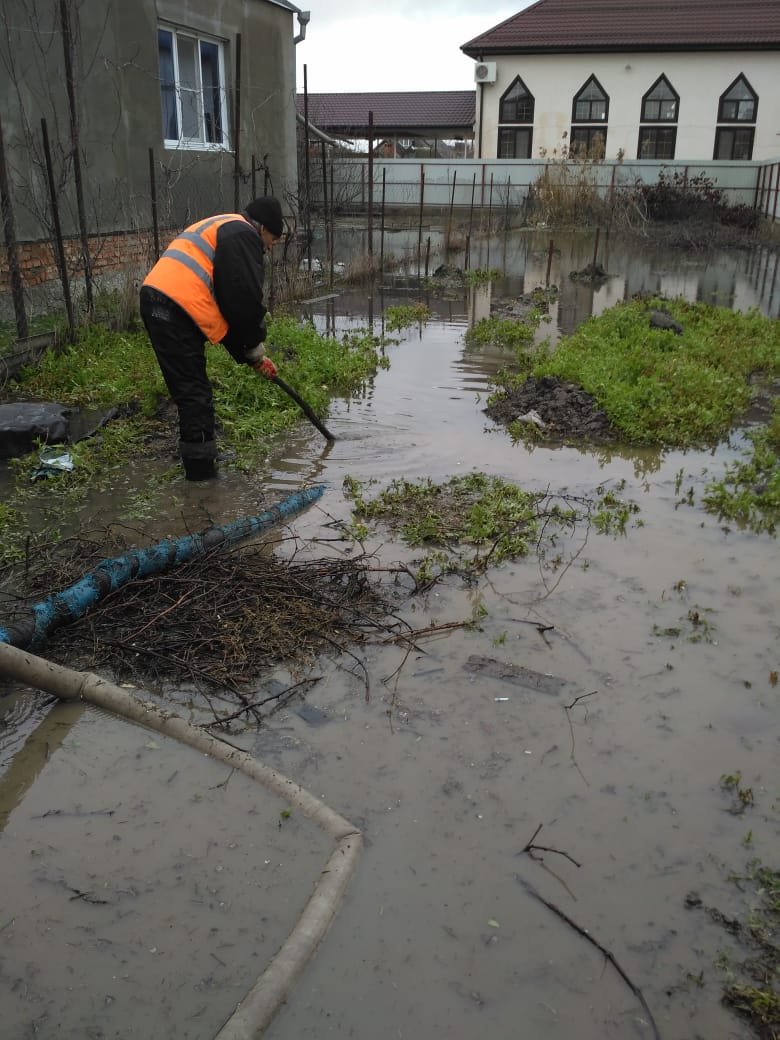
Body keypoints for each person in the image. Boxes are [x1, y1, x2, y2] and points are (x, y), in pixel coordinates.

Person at [139, 196, 284, 480]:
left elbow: (227, 309)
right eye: (272, 239)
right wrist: (254, 347)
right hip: (174, 307)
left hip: (161, 302)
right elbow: (244, 301)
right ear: (263, 227)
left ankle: (202, 455)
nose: (269, 247)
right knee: (194, 393)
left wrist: (250, 357)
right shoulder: (243, 234)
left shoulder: (225, 226)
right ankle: (202, 478)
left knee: (191, 390)